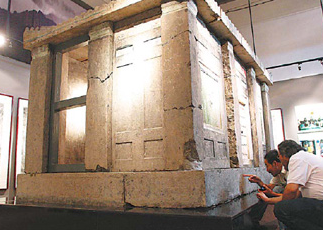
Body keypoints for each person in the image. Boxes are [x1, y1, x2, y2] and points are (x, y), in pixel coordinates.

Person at [257, 140, 323, 229]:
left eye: (279, 157)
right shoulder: (303, 158)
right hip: (317, 203)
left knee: (281, 208)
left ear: (285, 155)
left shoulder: (297, 158)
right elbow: (295, 195)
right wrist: (268, 199)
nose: (280, 160)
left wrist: (269, 199)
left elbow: (291, 192)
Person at [243, 150, 287, 228]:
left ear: (274, 164)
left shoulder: (289, 172)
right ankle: (254, 220)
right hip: (291, 196)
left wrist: (271, 196)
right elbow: (269, 188)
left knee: (281, 207)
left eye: (267, 166)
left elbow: (293, 195)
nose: (267, 170)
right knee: (271, 191)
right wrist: (259, 182)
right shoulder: (278, 174)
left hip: (302, 198)